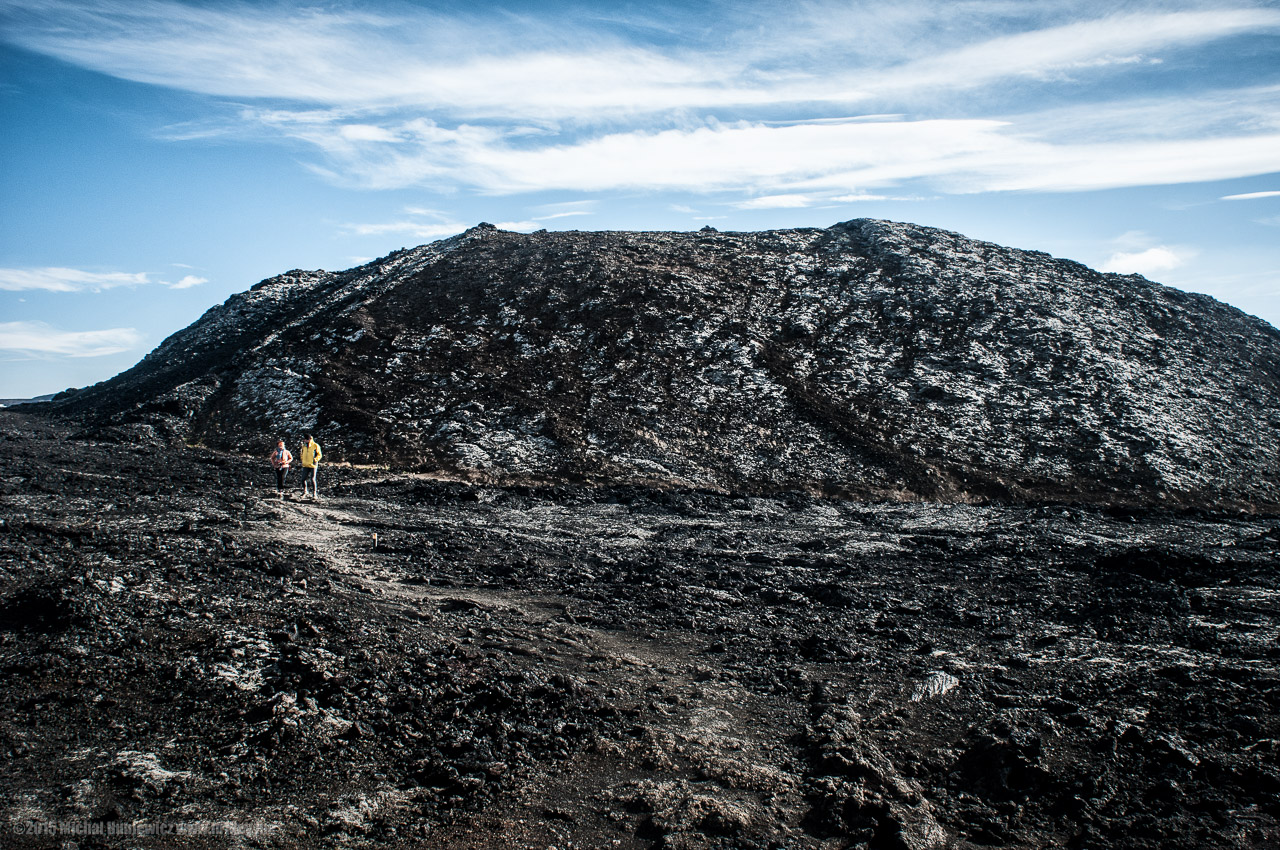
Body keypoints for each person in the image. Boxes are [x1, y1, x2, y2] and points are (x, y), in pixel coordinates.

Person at [299, 434, 323, 498]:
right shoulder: (304, 446)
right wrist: (302, 460)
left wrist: (315, 460)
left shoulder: (315, 445)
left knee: (312, 479)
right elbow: (302, 453)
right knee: (303, 479)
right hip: (305, 465)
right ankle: (305, 491)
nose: (304, 441)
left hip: (313, 465)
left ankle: (314, 493)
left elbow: (319, 454)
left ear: (309, 439)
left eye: (305, 439)